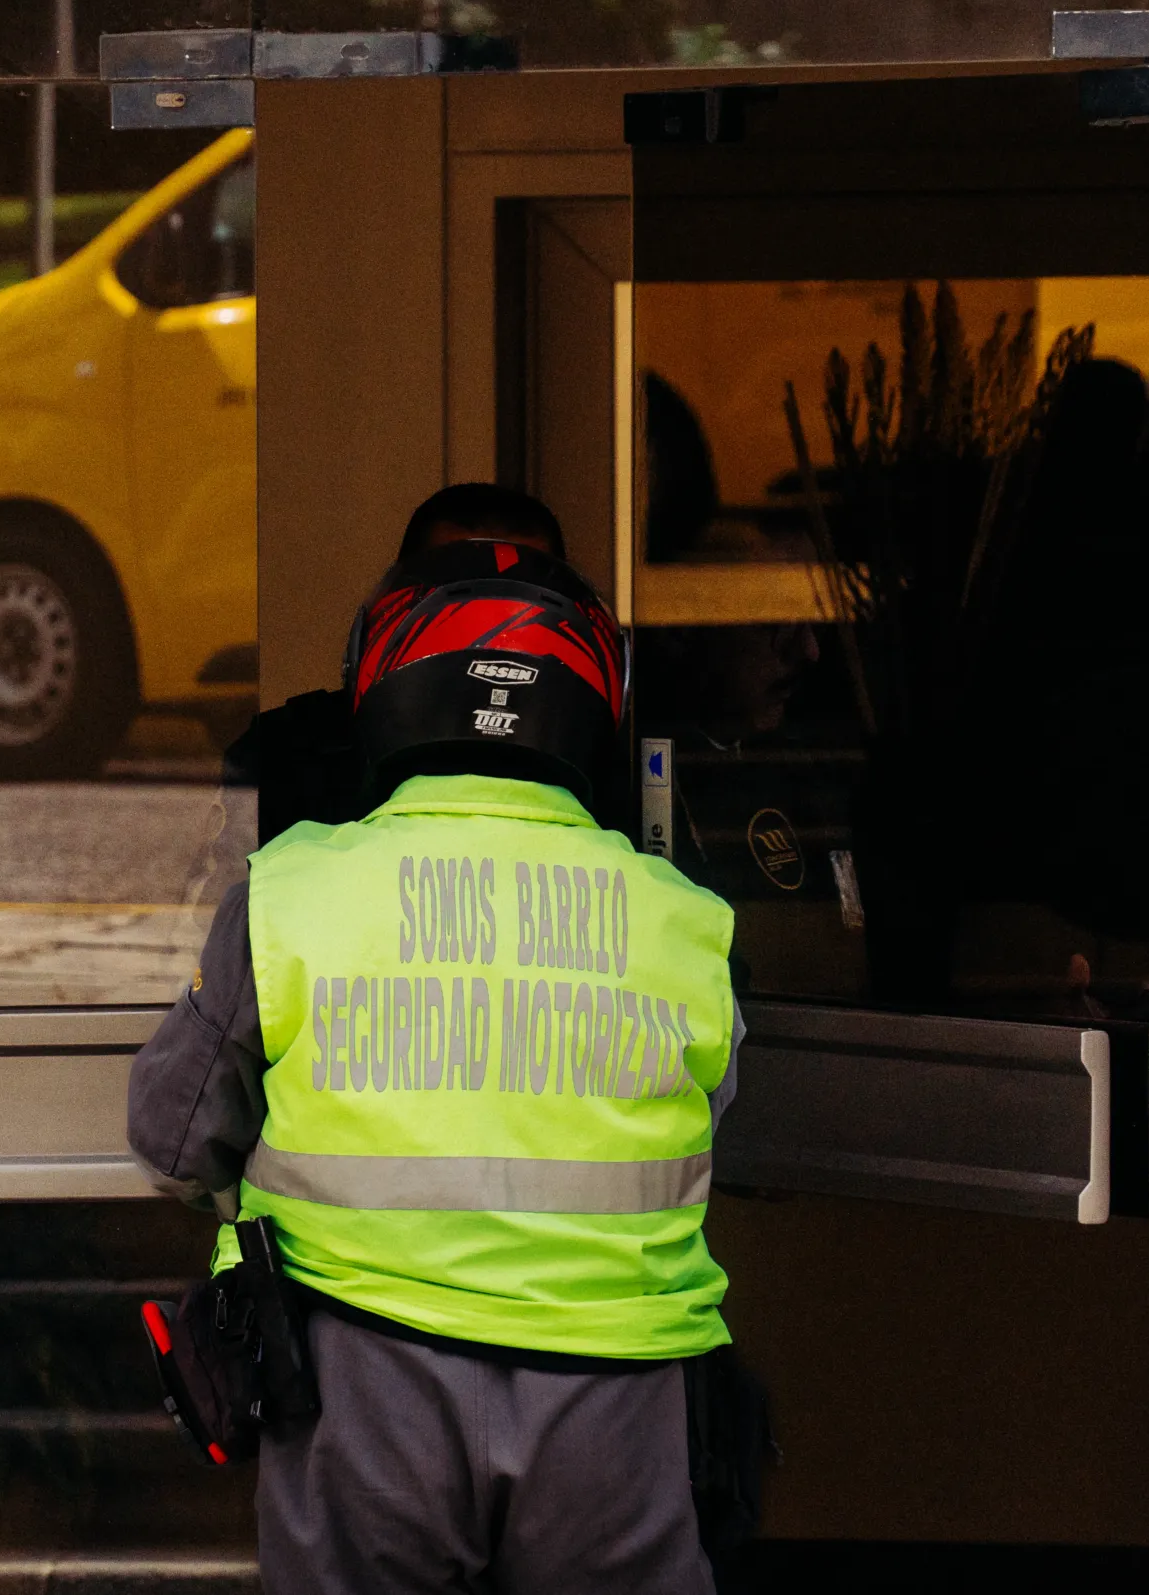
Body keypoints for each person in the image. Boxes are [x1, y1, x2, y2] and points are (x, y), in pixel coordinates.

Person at [132, 527, 742, 1594]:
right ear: (595, 704)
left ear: (379, 684)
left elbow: (173, 1139)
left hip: (360, 1401)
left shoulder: (289, 893)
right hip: (618, 1410)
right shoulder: (682, 921)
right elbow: (709, 1125)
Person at [224, 483, 571, 843]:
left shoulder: (606, 758)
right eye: (457, 593)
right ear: (396, 605)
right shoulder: (287, 755)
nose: (488, 627)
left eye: (517, 598)